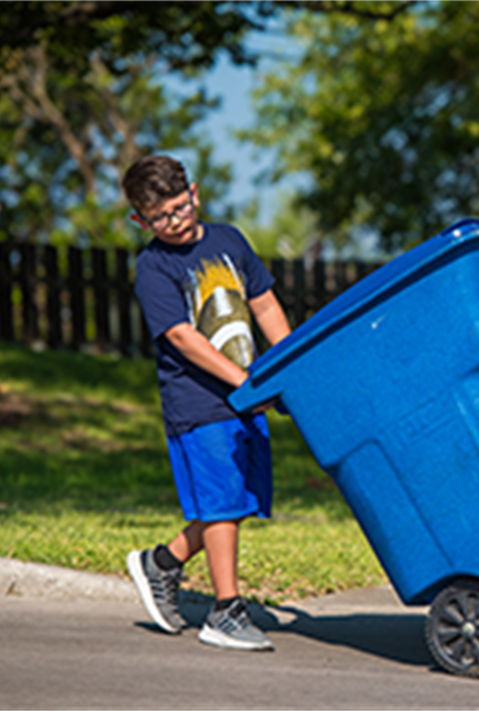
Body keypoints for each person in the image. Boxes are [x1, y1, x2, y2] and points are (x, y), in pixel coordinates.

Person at [121, 155, 291, 651]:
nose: (174, 222)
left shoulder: (230, 240)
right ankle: (226, 610)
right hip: (198, 400)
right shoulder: (153, 266)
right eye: (159, 217)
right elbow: (181, 336)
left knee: (238, 501)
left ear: (194, 193)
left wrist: (285, 366)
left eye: (179, 207)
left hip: (246, 394)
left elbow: (263, 302)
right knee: (222, 503)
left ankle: (162, 563)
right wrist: (243, 381)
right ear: (140, 220)